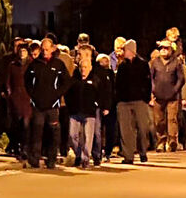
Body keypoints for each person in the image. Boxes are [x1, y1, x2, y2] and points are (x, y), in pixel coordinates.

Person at [24, 38, 71, 169]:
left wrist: (57, 94)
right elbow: (27, 81)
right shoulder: (34, 65)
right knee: (37, 132)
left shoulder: (58, 64)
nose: (44, 52)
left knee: (53, 133)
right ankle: (34, 159)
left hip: (52, 106)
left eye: (46, 49)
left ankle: (51, 160)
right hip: (38, 105)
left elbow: (66, 82)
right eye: (42, 49)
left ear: (52, 49)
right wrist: (33, 95)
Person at [65, 45, 111, 168]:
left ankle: (93, 156)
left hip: (93, 108)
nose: (78, 56)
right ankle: (80, 155)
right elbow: (70, 89)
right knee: (74, 135)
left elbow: (105, 90)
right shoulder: (76, 72)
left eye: (80, 54)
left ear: (87, 55)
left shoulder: (98, 71)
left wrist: (103, 105)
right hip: (77, 108)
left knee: (94, 133)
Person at [115, 40, 151, 164]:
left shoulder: (143, 65)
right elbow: (118, 84)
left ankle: (142, 152)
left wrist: (145, 98)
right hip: (124, 101)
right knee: (126, 130)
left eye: (125, 49)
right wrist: (118, 100)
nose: (123, 52)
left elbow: (148, 83)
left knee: (142, 127)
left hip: (139, 100)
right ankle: (128, 156)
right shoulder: (122, 66)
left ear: (131, 50)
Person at [149, 39, 186, 152]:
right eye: (162, 48)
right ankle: (161, 141)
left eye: (166, 48)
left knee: (172, 119)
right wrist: (153, 89)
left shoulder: (176, 62)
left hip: (172, 97)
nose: (164, 50)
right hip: (158, 96)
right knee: (159, 120)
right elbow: (150, 78)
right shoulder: (155, 63)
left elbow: (181, 79)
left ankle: (172, 141)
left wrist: (175, 90)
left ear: (170, 50)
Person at [6, 44, 33, 159]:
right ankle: (17, 146)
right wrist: (10, 94)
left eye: (25, 51)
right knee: (16, 124)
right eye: (21, 51)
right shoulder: (13, 65)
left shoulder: (31, 65)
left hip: (28, 98)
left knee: (26, 124)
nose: (22, 53)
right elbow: (8, 81)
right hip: (16, 98)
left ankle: (25, 148)